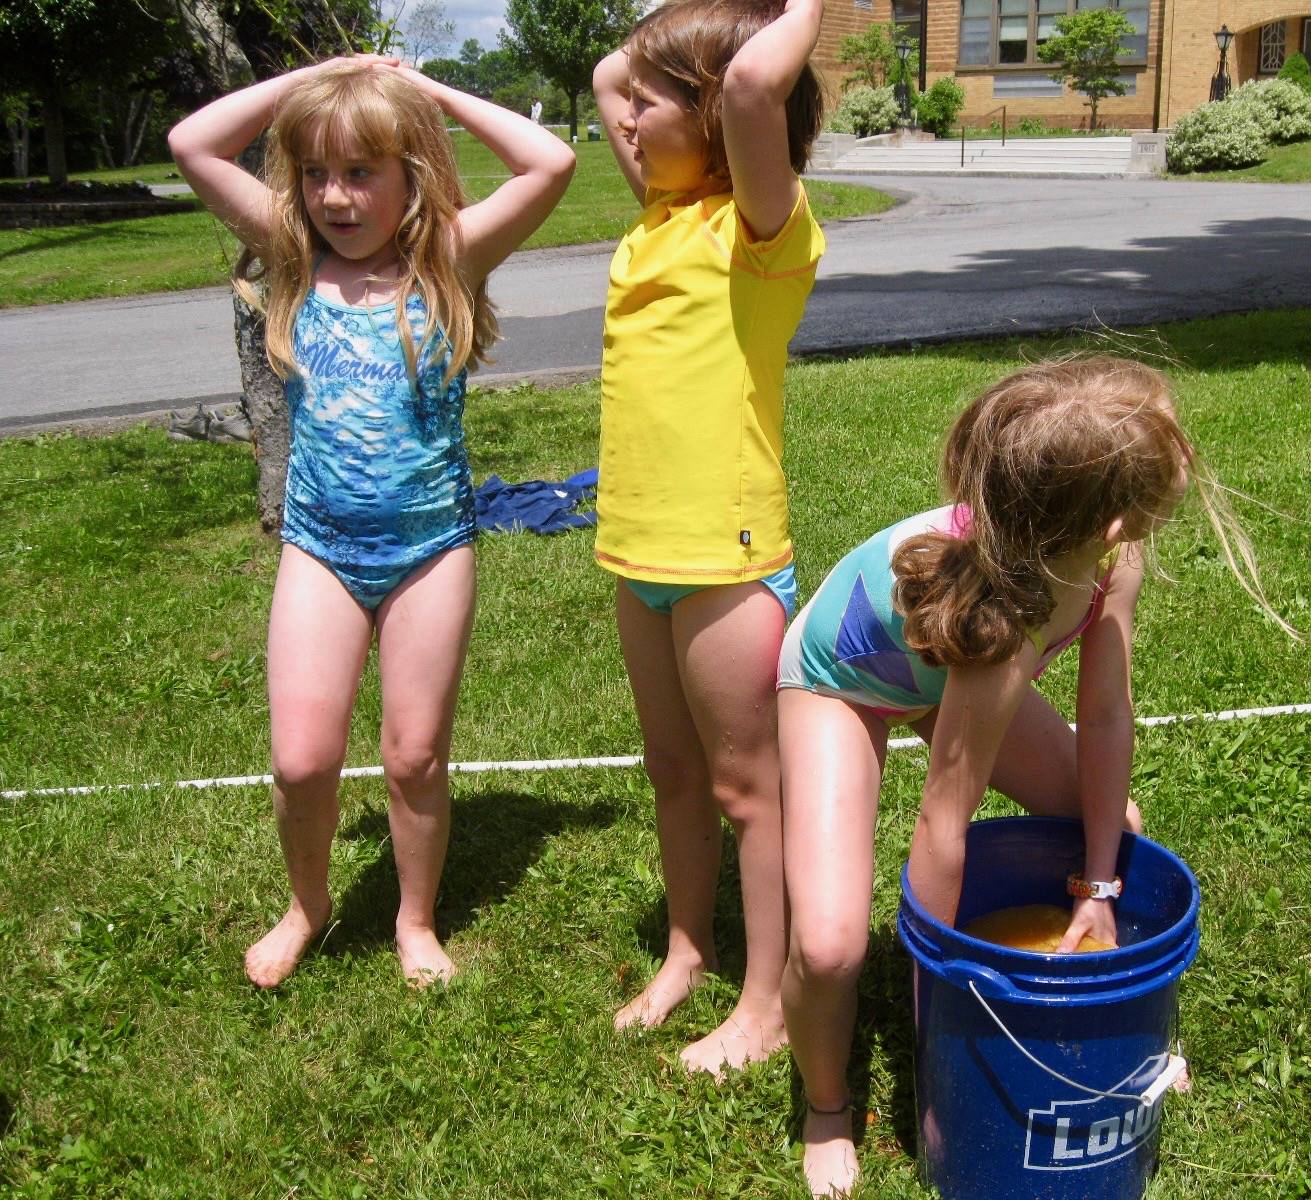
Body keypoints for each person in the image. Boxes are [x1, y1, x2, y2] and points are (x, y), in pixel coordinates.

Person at [776, 357, 1295, 1196]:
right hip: (848, 681)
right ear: (1115, 519)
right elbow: (944, 818)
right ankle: (827, 1105)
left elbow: (1108, 716)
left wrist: (1099, 885)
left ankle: (1113, 1011)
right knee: (831, 947)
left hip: (952, 660)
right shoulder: (1000, 629)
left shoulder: (1108, 566)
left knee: (1112, 823)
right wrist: (944, 1011)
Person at [168, 56, 576, 989]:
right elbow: (192, 142)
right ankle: (308, 903)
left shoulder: (449, 261)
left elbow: (548, 163)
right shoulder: (291, 256)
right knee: (302, 760)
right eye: (316, 173)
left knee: (413, 755)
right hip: (320, 548)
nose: (335, 198)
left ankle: (416, 919)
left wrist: (423, 95)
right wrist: (331, 73)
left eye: (360, 173)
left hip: (430, 550)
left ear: (411, 175)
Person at [589, 0, 825, 1074]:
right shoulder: (660, 213)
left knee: (746, 790)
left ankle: (770, 1000)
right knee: (672, 773)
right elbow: (605, 71)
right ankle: (689, 949)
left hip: (723, 563)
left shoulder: (761, 232)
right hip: (638, 556)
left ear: (717, 112)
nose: (623, 116)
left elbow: (742, 89)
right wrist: (652, 54)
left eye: (650, 101)